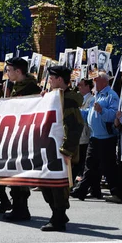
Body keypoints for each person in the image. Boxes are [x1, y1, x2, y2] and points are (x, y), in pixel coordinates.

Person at [39, 66, 84, 231]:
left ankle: (58, 217)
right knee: (45, 184)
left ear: (59, 79)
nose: (49, 81)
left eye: (51, 78)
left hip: (63, 150)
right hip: (50, 148)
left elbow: (76, 127)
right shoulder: (54, 97)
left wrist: (67, 151)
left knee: (59, 186)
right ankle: (58, 214)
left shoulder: (69, 100)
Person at [3, 57, 42, 221]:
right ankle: (17, 206)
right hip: (16, 133)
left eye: (9, 70)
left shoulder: (31, 88)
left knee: (20, 172)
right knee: (14, 172)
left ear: (18, 71)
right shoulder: (15, 86)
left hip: (25, 135)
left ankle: (21, 209)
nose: (7, 73)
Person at [71, 72, 119, 200]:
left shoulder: (111, 96)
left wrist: (102, 111)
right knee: (90, 165)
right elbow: (89, 113)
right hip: (95, 136)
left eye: (96, 81)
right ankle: (82, 190)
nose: (94, 83)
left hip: (106, 137)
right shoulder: (97, 96)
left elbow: (114, 115)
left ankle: (116, 192)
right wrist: (79, 112)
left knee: (108, 166)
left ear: (104, 82)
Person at [76, 79, 95, 183]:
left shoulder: (91, 99)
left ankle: (82, 179)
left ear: (88, 86)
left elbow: (88, 114)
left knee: (83, 157)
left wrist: (77, 110)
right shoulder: (79, 98)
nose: (79, 87)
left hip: (85, 133)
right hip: (78, 133)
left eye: (81, 85)